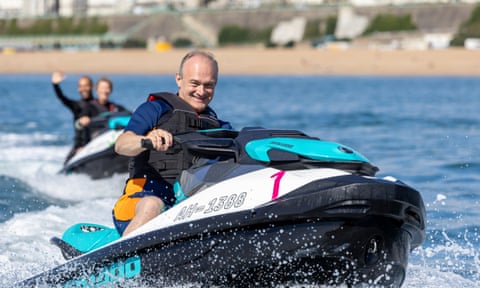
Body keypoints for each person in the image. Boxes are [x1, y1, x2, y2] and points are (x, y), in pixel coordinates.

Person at [112, 50, 232, 236]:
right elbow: (121, 144)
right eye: (195, 83)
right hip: (139, 201)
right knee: (153, 204)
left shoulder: (220, 127)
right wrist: (146, 140)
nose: (201, 91)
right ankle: (123, 258)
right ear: (179, 79)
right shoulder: (155, 109)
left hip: (186, 207)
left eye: (209, 85)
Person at [51, 71, 94, 164]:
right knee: (66, 164)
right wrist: (55, 85)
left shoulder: (99, 105)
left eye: (86, 85)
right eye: (81, 86)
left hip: (97, 143)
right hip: (80, 146)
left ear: (92, 87)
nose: (83, 89)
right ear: (78, 89)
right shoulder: (77, 105)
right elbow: (62, 98)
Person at [76, 76, 130, 142]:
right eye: (102, 88)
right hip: (96, 141)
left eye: (107, 88)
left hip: (113, 137)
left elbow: (129, 114)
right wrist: (82, 121)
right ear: (97, 90)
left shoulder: (116, 107)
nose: (104, 91)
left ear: (110, 90)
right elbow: (78, 123)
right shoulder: (89, 107)